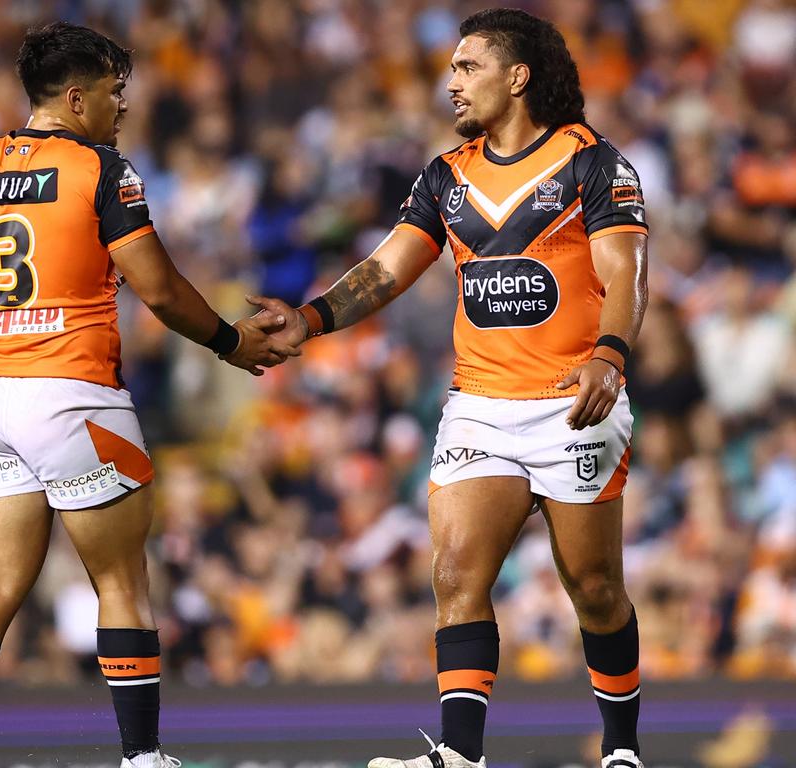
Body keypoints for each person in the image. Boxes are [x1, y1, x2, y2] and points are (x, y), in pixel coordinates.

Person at [250, 9, 648, 768]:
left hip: (575, 399)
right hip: (481, 406)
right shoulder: (446, 175)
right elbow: (388, 268)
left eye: (468, 67)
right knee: (456, 571)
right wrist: (311, 318)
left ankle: (622, 749)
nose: (452, 81)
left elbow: (625, 271)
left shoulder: (594, 164)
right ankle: (461, 755)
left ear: (518, 75)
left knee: (595, 588)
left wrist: (611, 352)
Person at [0, 21, 298, 768]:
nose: (124, 107)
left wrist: (24, 305)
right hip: (76, 394)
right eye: (116, 94)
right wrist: (230, 340)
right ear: (78, 97)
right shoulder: (102, 168)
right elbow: (157, 287)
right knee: (121, 581)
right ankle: (143, 756)